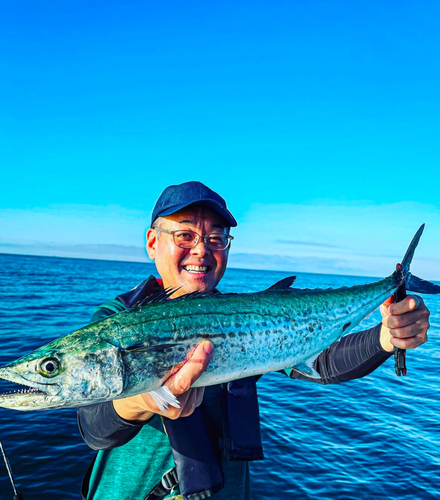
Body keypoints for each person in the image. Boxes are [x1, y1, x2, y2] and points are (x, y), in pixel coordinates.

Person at [78, 181, 430, 500]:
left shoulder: (246, 316)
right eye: (185, 236)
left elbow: (321, 363)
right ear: (153, 243)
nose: (201, 250)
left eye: (215, 239)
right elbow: (94, 427)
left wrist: (387, 337)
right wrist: (143, 399)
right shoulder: (116, 322)